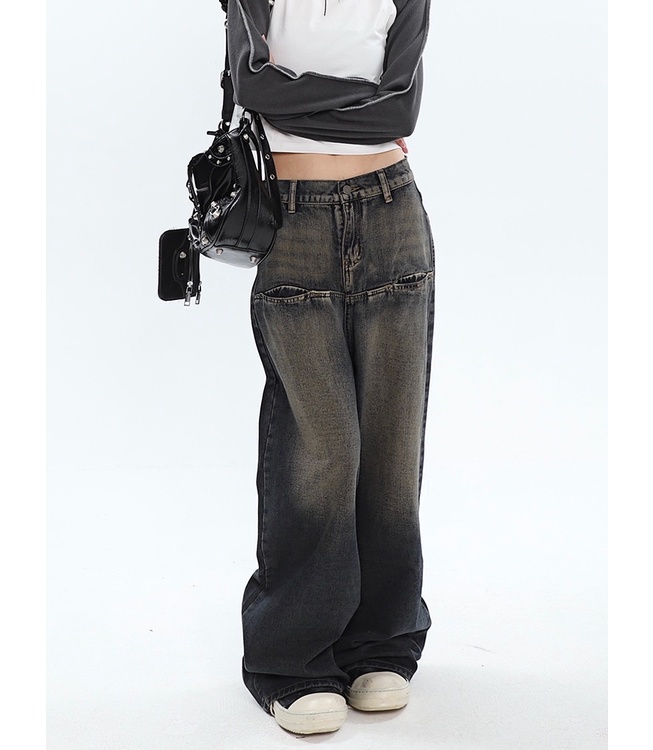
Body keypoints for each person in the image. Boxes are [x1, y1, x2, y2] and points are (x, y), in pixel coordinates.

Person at [225, 0, 434, 735]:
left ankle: (380, 641)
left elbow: (400, 111)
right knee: (321, 448)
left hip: (393, 214)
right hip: (293, 220)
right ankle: (292, 659)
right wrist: (361, 107)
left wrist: (302, 99)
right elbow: (254, 88)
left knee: (390, 448)